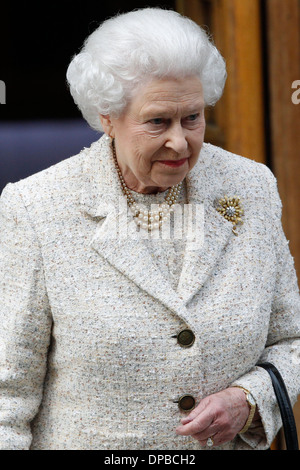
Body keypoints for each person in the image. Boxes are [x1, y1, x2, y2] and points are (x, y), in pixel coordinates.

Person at [0, 7, 299, 451]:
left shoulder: (250, 186)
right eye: (158, 121)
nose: (180, 142)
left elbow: (291, 341)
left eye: (192, 118)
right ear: (107, 116)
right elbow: (8, 393)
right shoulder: (36, 208)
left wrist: (249, 399)